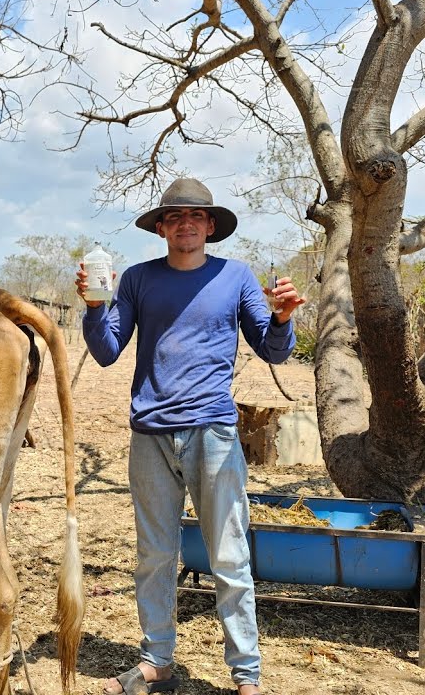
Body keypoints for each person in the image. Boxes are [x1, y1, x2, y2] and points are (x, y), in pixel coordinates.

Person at [76, 177, 304, 695]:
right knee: (154, 554)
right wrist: (94, 307)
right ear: (161, 227)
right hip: (150, 433)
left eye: (195, 217)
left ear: (210, 227)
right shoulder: (136, 279)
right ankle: (157, 662)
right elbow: (109, 350)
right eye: (174, 216)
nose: (185, 224)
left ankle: (247, 675)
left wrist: (283, 318)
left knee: (227, 554)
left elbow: (273, 351)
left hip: (214, 432)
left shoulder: (236, 277)